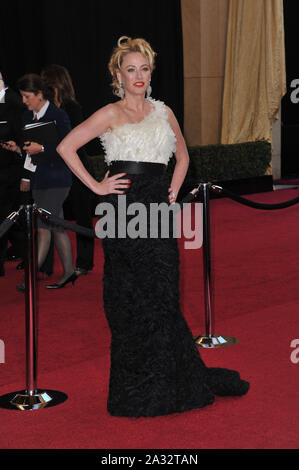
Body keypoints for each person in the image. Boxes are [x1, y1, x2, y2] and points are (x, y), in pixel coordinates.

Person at [56, 36, 249, 417]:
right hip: (122, 209)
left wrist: (174, 188)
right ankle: (135, 388)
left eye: (144, 68)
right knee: (126, 299)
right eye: (131, 69)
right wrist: (97, 186)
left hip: (157, 206)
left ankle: (170, 382)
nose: (139, 75)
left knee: (162, 296)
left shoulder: (163, 112)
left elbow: (183, 155)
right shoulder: (109, 113)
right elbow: (66, 147)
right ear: (118, 75)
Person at [2, 73, 78, 291]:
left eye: (27, 97)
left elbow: (68, 148)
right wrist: (20, 154)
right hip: (39, 179)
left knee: (44, 227)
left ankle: (31, 278)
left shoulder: (59, 115)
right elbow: (29, 151)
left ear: (39, 94)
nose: (24, 101)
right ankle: (69, 272)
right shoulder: (27, 118)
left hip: (57, 179)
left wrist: (42, 149)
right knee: (57, 227)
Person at [40, 64, 94, 277]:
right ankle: (45, 265)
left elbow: (75, 141)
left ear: (57, 84)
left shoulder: (72, 108)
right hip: (52, 170)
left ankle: (85, 262)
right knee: (47, 217)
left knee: (82, 216)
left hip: (76, 169)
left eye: (47, 83)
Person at [0, 71, 25, 276]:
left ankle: (23, 251)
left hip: (10, 170)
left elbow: (22, 137)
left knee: (7, 215)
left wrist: (17, 149)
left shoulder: (15, 103)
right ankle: (19, 250)